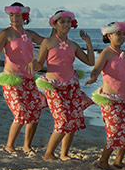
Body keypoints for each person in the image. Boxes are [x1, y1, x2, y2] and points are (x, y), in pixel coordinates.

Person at [0, 2, 46, 153]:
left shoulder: (30, 34)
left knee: (34, 113)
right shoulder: (5, 33)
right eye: (11, 15)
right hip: (12, 79)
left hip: (29, 79)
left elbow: (48, 43)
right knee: (20, 112)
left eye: (17, 15)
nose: (14, 18)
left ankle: (27, 146)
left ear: (24, 16)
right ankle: (9, 146)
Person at [85, 21, 125, 170]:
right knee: (115, 131)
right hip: (111, 100)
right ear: (108, 35)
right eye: (117, 34)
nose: (120, 37)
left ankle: (118, 161)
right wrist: (93, 77)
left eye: (122, 34)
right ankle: (103, 160)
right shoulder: (106, 53)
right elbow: (97, 68)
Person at [34, 10, 95, 161]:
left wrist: (88, 43)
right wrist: (32, 63)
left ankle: (64, 154)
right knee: (62, 120)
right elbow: (40, 64)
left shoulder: (73, 45)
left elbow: (90, 61)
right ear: (54, 24)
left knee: (73, 120)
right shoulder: (47, 42)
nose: (66, 25)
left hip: (71, 85)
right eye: (62, 22)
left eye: (69, 22)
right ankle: (48, 154)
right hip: (54, 86)